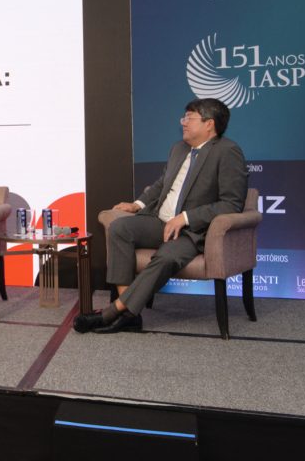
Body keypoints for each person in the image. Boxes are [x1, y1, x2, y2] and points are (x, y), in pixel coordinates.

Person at [74, 98, 247, 334]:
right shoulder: (178, 149)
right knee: (120, 228)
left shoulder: (227, 151)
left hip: (192, 232)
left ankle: (114, 311)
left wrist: (186, 217)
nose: (183, 122)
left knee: (166, 257)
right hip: (159, 221)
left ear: (209, 124)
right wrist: (137, 204)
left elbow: (232, 204)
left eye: (189, 118)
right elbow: (161, 184)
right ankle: (129, 314)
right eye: (184, 117)